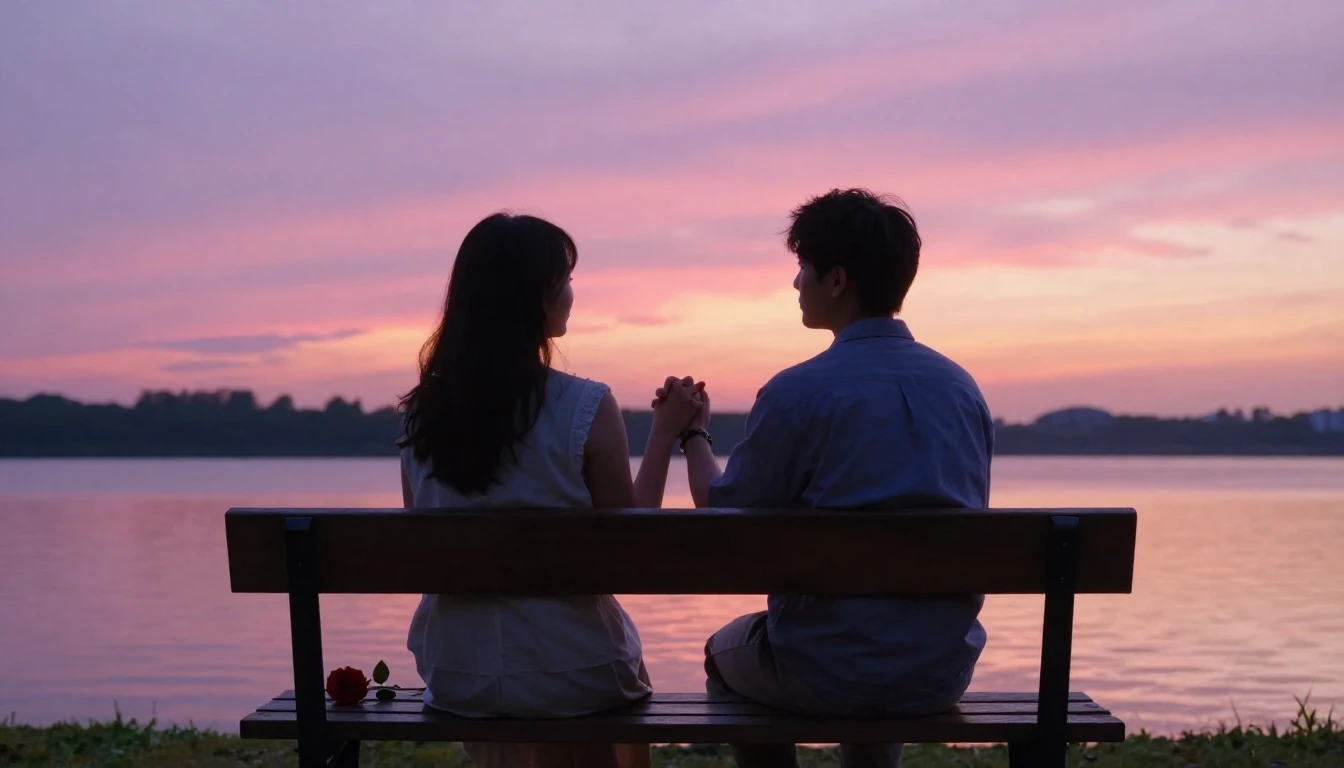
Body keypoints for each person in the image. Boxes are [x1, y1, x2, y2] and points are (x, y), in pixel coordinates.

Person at [662, 189, 995, 768]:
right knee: (883, 632)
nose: (796, 284)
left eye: (802, 269)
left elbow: (724, 517)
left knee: (725, 653)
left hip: (825, 670)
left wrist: (694, 436)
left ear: (836, 280)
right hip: (939, 671)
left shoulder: (798, 391)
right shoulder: (961, 390)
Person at [398, 212, 704, 768]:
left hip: (457, 673)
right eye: (563, 279)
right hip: (575, 672)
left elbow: (424, 547)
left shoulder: (423, 415)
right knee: (589, 689)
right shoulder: (583, 405)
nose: (570, 293)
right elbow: (631, 552)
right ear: (533, 297)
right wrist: (665, 433)